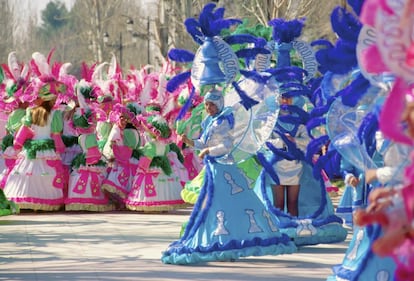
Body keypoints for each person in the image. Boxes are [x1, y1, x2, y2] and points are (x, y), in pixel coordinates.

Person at [161, 88, 296, 264]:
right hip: (213, 168)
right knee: (214, 204)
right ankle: (217, 234)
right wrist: (190, 141)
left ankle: (232, 235)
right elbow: (204, 142)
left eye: (211, 104)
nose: (208, 107)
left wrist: (210, 150)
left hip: (224, 168)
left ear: (218, 105)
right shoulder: (211, 121)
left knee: (228, 203)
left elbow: (226, 145)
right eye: (206, 104)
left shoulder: (224, 121)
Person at [267, 95, 309, 217]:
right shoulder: (271, 121)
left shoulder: (300, 120)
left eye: (289, 97)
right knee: (278, 203)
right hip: (276, 166)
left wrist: (295, 140)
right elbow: (265, 141)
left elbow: (309, 141)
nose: (285, 100)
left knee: (293, 202)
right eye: (282, 97)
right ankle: (279, 232)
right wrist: (282, 142)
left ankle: (294, 231)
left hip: (295, 166)